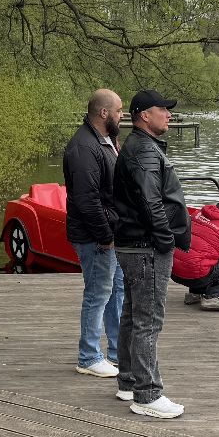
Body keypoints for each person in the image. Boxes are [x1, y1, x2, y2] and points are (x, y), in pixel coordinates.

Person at [112, 88, 191, 419]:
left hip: (134, 246)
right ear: (145, 115)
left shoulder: (139, 146)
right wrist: (166, 240)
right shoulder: (144, 151)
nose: (169, 115)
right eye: (164, 110)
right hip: (146, 248)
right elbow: (150, 201)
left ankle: (129, 382)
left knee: (132, 315)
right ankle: (147, 395)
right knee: (148, 319)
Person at [63, 89, 124, 379]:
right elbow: (87, 200)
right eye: (119, 111)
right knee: (98, 293)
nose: (122, 116)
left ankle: (115, 352)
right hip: (95, 236)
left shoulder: (106, 141)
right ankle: (88, 357)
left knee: (115, 291)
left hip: (109, 232)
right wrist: (105, 235)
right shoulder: (83, 147)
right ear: (104, 113)